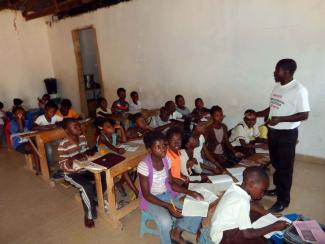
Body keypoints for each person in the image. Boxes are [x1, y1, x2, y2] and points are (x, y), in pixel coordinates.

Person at [256, 59, 310, 213]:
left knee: (285, 168)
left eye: (277, 70)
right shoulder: (277, 86)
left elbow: (304, 114)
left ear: (286, 71)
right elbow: (273, 107)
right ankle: (278, 189)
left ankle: (283, 200)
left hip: (287, 134)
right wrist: (258, 114)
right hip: (273, 132)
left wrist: (281, 119)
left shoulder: (299, 90)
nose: (274, 72)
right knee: (276, 164)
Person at [138, 130, 203, 244]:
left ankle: (176, 233)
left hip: (167, 194)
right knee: (166, 222)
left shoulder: (166, 160)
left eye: (164, 145)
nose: (163, 149)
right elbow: (146, 194)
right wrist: (168, 206)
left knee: (197, 209)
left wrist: (190, 192)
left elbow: (171, 183)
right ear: (149, 150)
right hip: (151, 199)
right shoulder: (143, 166)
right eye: (158, 147)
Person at [210, 166, 289, 243]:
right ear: (250, 184)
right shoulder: (241, 201)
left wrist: (268, 214)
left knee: (258, 208)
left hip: (219, 228)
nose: (263, 195)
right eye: (262, 190)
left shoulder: (235, 187)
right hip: (223, 236)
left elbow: (251, 205)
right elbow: (247, 234)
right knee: (259, 240)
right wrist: (273, 227)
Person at [58, 118, 106, 228]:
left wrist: (87, 155)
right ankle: (89, 215)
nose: (79, 128)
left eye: (79, 125)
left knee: (104, 174)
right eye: (75, 127)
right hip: (71, 173)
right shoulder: (63, 145)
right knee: (87, 186)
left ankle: (92, 196)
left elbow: (85, 154)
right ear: (67, 130)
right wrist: (73, 158)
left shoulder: (83, 138)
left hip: (85, 168)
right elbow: (63, 166)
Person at [96, 118, 138, 197]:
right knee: (125, 168)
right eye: (108, 126)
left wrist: (121, 128)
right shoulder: (102, 137)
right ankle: (136, 192)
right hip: (103, 160)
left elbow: (124, 141)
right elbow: (111, 147)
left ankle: (120, 183)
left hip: (113, 157)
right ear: (101, 128)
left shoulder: (114, 135)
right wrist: (117, 150)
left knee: (132, 165)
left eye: (111, 126)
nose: (111, 127)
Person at [33, 102, 63, 172]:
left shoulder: (55, 116)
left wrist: (57, 125)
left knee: (62, 142)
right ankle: (50, 164)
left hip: (53, 138)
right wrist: (45, 127)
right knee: (49, 149)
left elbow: (63, 121)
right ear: (45, 111)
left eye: (54, 112)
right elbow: (33, 127)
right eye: (51, 112)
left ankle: (64, 159)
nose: (52, 114)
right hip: (44, 139)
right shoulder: (40, 118)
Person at [10, 107, 40, 173]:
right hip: (19, 144)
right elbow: (21, 131)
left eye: (22, 114)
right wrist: (19, 120)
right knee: (35, 148)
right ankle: (38, 169)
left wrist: (34, 121)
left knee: (40, 144)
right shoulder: (12, 123)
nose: (21, 115)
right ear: (14, 115)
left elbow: (31, 129)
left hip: (28, 141)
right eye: (18, 114)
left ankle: (42, 164)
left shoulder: (26, 121)